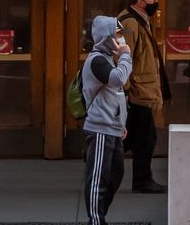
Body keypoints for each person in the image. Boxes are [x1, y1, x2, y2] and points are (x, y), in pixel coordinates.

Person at [81, 15, 135, 225]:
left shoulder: (108, 59)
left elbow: (117, 94)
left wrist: (121, 124)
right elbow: (118, 79)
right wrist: (125, 56)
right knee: (98, 177)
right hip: (100, 128)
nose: (121, 39)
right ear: (107, 37)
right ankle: (96, 219)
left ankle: (100, 211)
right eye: (117, 34)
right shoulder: (96, 60)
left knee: (116, 173)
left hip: (113, 128)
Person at [116, 0, 168, 193]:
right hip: (138, 92)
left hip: (142, 90)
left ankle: (102, 155)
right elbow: (122, 57)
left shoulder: (141, 21)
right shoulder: (130, 24)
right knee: (145, 138)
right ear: (139, 1)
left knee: (138, 137)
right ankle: (142, 180)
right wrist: (126, 90)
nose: (155, 2)